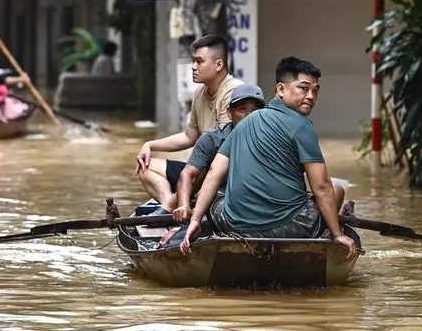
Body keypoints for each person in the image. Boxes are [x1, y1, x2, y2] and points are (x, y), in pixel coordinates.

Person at [180, 57, 356, 261]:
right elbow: (322, 187)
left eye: (315, 91)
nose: (310, 96)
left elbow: (213, 174)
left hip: (233, 224)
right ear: (281, 89)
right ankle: (322, 238)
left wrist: (195, 219)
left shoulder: (243, 123)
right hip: (288, 228)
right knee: (336, 189)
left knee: (218, 199)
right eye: (303, 88)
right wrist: (337, 235)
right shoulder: (302, 126)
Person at [136, 34, 243, 214]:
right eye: (193, 61)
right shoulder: (200, 93)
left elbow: (221, 155)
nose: (193, 67)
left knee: (197, 171)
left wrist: (188, 185)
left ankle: (171, 206)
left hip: (222, 174)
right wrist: (149, 145)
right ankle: (170, 206)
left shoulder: (233, 93)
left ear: (218, 65)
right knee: (145, 167)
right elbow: (189, 137)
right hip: (199, 168)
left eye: (199, 61)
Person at [172, 84, 266, 223]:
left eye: (255, 111)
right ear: (229, 113)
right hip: (220, 201)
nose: (249, 117)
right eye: (242, 110)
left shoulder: (270, 139)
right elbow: (188, 174)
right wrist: (184, 205)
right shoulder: (213, 138)